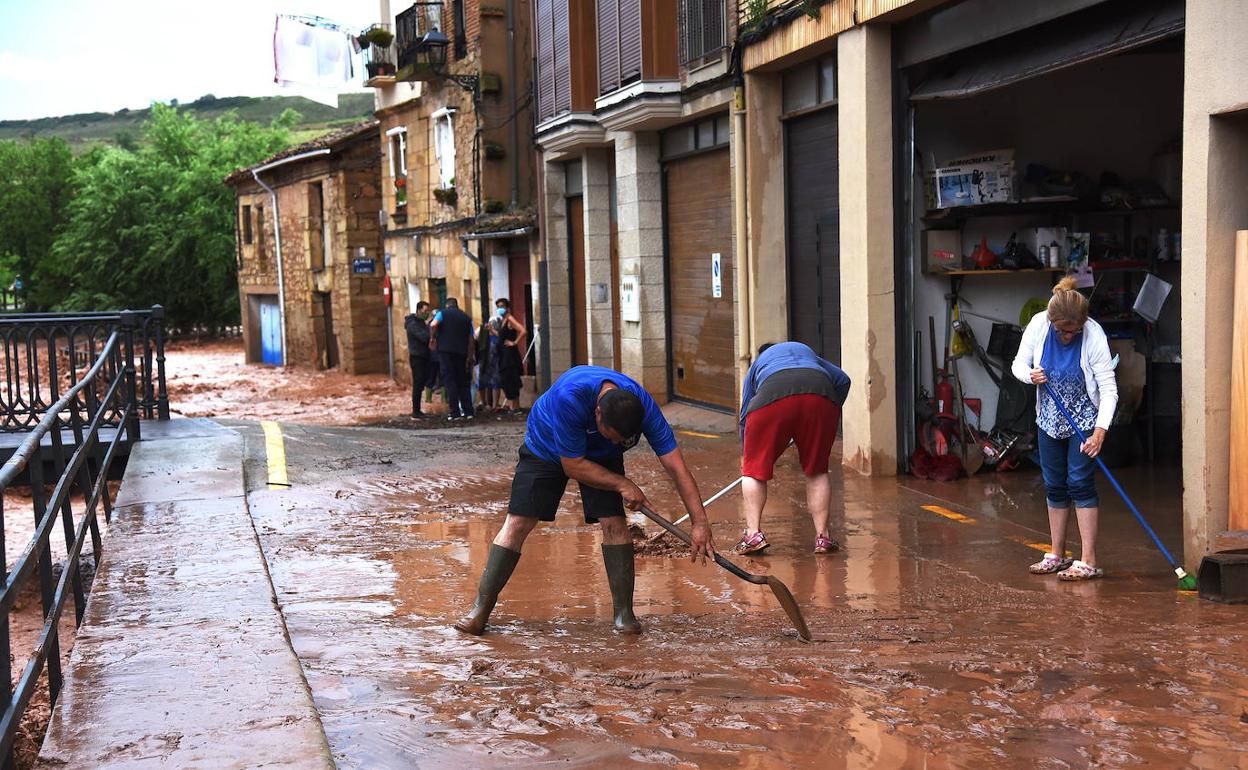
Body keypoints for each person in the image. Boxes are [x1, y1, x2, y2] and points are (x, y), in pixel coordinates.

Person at [454, 365, 715, 636]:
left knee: (615, 523)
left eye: (622, 441)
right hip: (547, 448)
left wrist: (700, 522)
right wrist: (623, 484)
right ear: (597, 413)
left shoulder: (641, 406)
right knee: (518, 522)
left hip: (600, 457)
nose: (617, 443)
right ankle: (480, 609)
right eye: (612, 436)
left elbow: (676, 467)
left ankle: (624, 614)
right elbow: (574, 465)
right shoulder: (571, 397)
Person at [1011, 276, 1118, 581]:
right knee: (1054, 484)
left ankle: (1088, 560)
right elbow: (1018, 364)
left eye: (1074, 332)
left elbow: (1109, 389)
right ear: (1052, 321)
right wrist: (1031, 375)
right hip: (1049, 418)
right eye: (1063, 332)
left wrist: (1100, 431)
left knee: (1080, 483)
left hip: (1084, 419)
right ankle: (1057, 554)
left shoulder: (1093, 334)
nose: (1068, 337)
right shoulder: (1039, 325)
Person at [734, 341, 852, 555]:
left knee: (754, 472)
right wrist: (830, 409)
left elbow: (745, 414)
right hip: (821, 396)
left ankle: (753, 535)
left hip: (772, 396)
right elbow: (843, 380)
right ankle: (823, 538)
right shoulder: (806, 353)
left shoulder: (758, 364)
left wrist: (749, 454)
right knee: (817, 471)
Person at [429, 297, 475, 421]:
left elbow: (433, 324)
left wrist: (432, 338)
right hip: (461, 353)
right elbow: (471, 339)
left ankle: (454, 412)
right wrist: (470, 356)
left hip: (446, 352)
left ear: (447, 305)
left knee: (450, 381)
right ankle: (468, 411)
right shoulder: (466, 318)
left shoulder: (442, 314)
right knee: (463, 382)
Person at [492, 298, 527, 412]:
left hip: (509, 355)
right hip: (503, 354)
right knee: (506, 379)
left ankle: (515, 406)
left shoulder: (510, 319)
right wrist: (492, 330)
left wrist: (515, 342)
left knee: (511, 378)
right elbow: (503, 336)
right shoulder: (503, 321)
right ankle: (513, 406)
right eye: (498, 306)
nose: (500, 309)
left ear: (507, 307)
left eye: (502, 306)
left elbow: (523, 331)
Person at [403, 301, 433, 418]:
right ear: (419, 310)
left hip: (425, 356)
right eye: (425, 311)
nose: (427, 313)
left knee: (423, 382)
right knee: (418, 383)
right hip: (417, 357)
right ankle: (416, 411)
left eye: (428, 311)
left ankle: (418, 410)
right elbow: (424, 337)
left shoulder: (421, 323)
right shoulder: (413, 324)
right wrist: (428, 327)